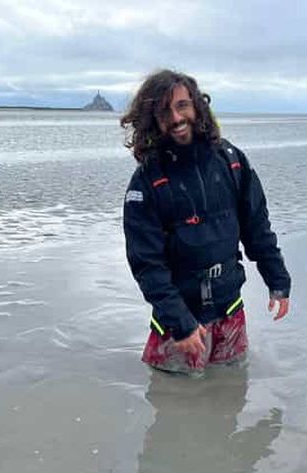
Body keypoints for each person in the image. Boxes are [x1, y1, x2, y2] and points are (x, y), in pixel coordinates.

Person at [121, 69, 291, 373]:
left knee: (232, 390)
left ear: (198, 105)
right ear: (152, 121)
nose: (175, 118)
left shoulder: (232, 161)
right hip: (177, 323)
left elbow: (257, 229)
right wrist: (181, 324)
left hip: (230, 311)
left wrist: (278, 281)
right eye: (164, 112)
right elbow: (146, 264)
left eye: (182, 105)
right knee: (172, 401)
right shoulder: (145, 183)